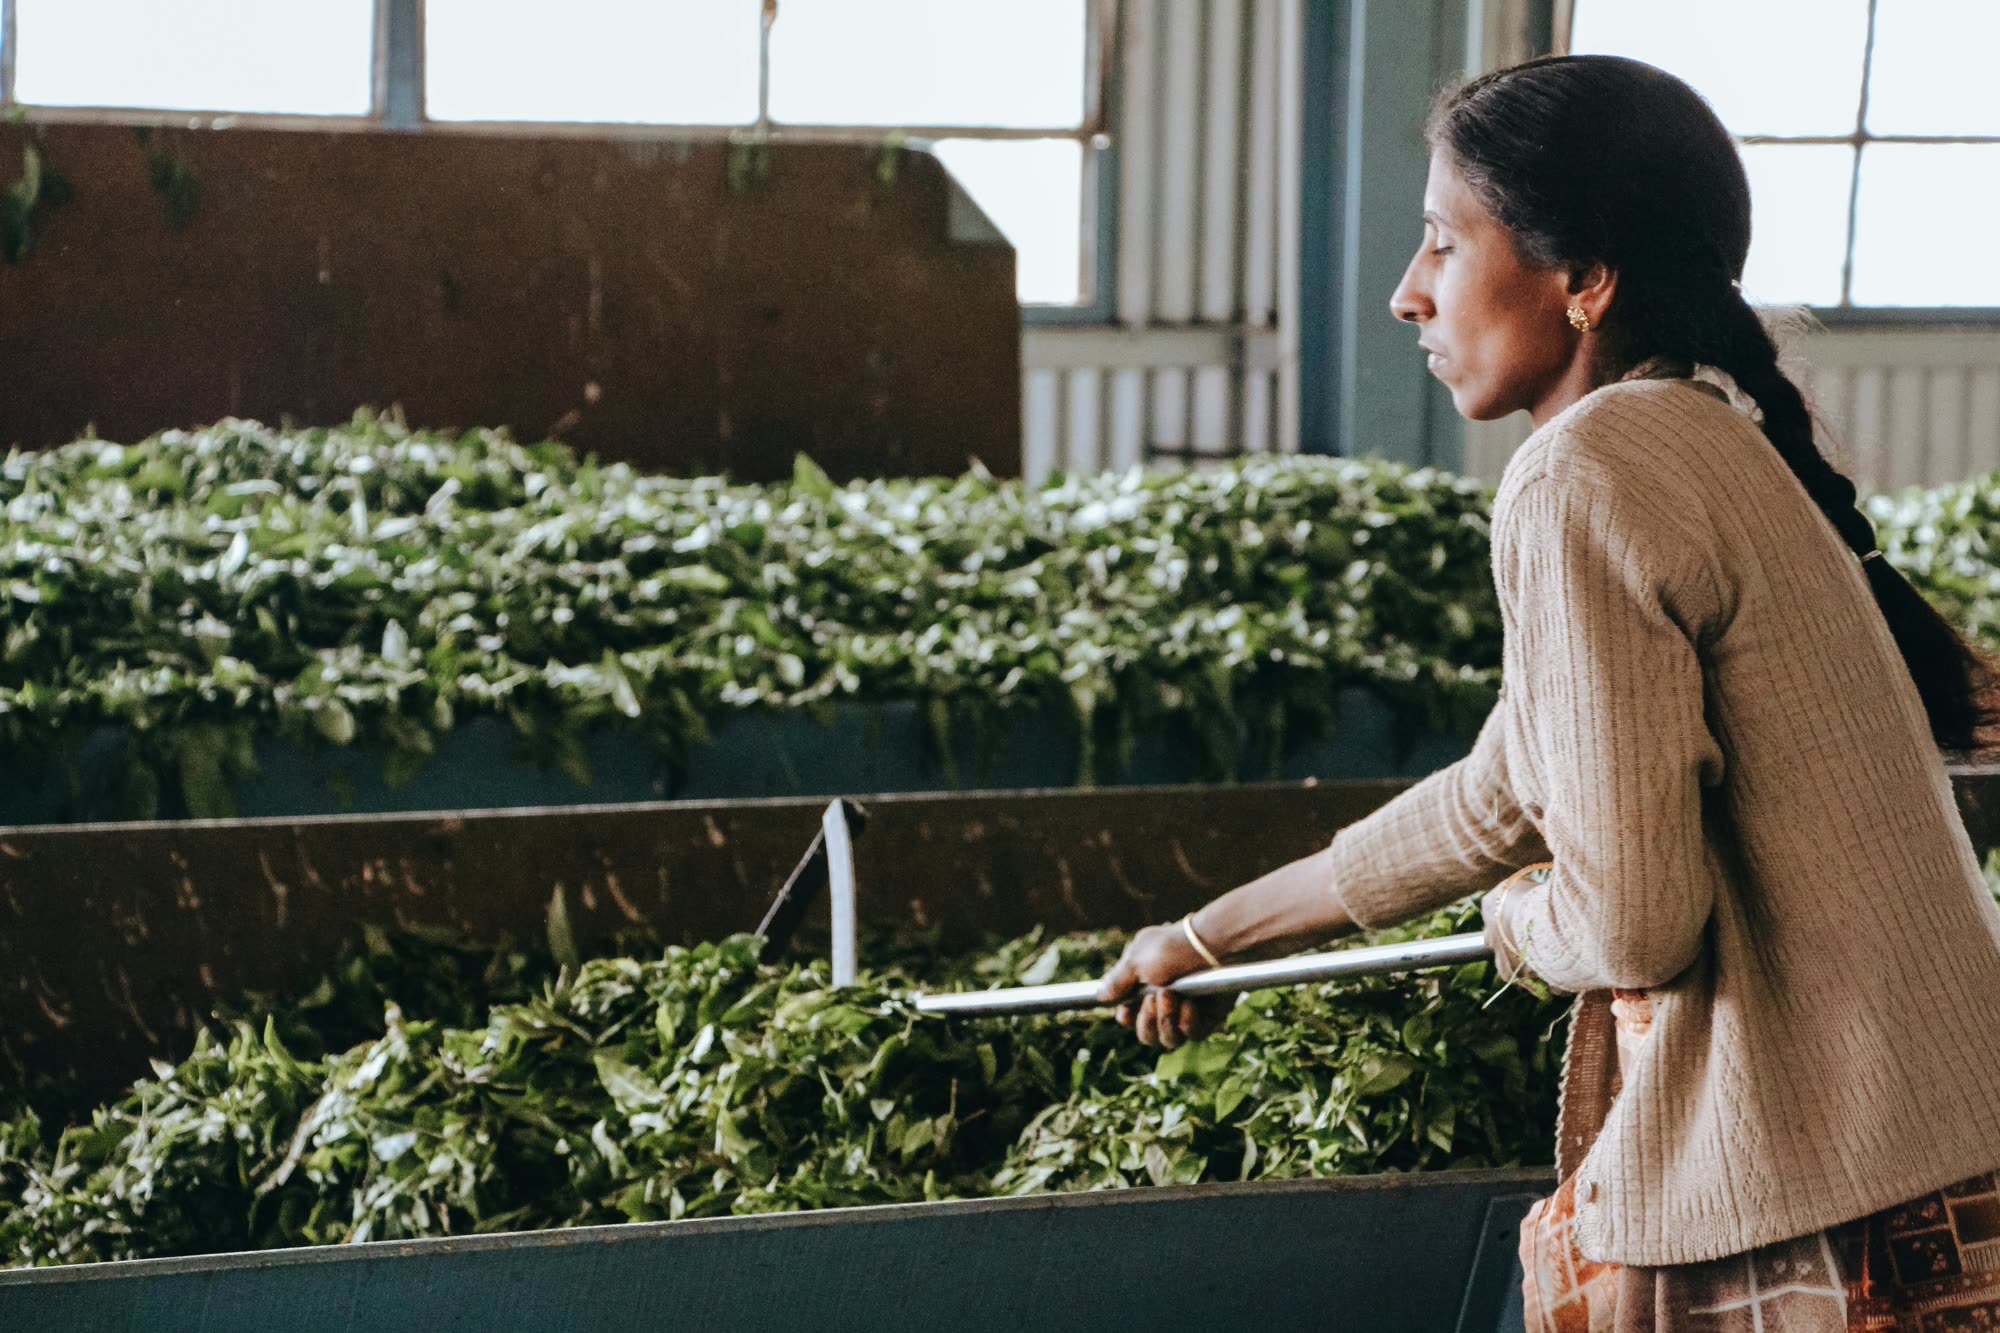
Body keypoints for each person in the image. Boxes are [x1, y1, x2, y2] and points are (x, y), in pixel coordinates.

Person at [1096, 54, 2000, 1331]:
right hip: (1943, 1132)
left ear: (1581, 279)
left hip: (1829, 1191)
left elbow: (1633, 926)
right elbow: (1497, 794)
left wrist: (1514, 922)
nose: (1407, 293)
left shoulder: (1577, 473)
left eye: (1441, 241)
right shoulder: (1698, 430)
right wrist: (1207, 938)